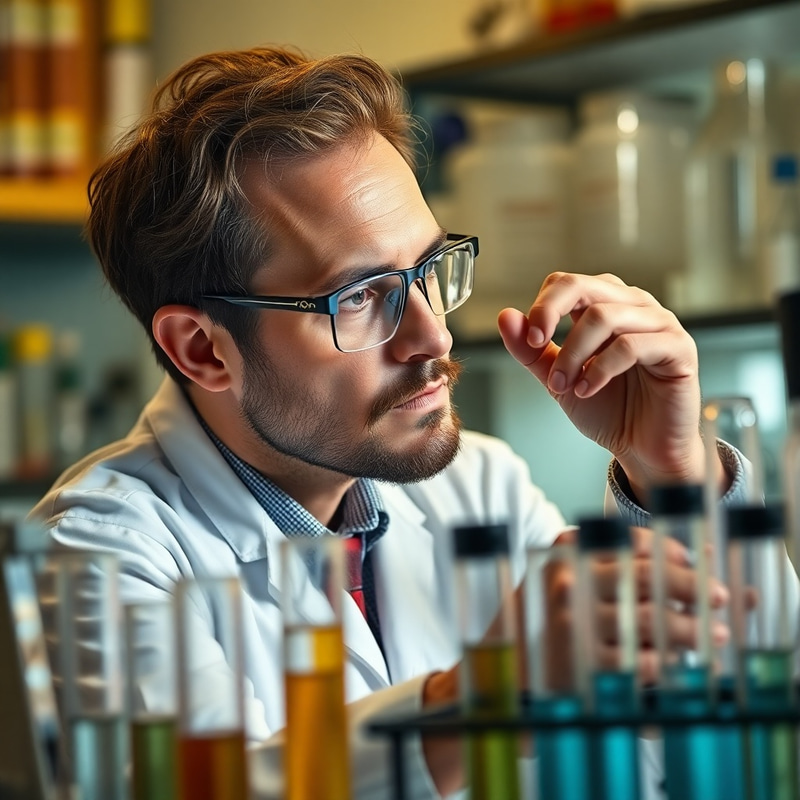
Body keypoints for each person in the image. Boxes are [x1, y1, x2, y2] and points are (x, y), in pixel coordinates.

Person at [30, 45, 769, 800]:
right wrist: (482, 695)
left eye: (426, 271)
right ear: (202, 349)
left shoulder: (481, 486)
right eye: (360, 296)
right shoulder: (93, 556)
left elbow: (710, 759)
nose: (435, 338)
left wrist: (672, 475)